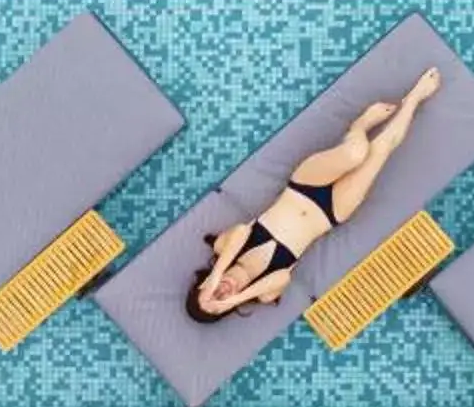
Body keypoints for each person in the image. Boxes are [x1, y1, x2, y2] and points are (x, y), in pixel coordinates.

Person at [186, 69, 442, 321]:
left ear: (204, 285)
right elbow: (284, 277)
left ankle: (359, 125)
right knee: (380, 150)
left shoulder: (223, 248)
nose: (221, 292)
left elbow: (242, 232)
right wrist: (235, 299)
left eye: (211, 293)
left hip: (302, 186)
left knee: (356, 154)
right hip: (331, 213)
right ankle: (415, 98)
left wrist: (218, 274)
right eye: (219, 303)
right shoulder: (264, 293)